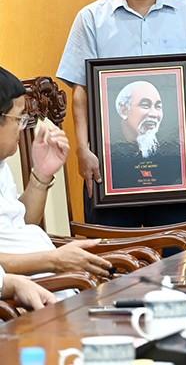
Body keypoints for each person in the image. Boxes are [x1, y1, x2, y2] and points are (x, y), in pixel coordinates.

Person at [55, 0, 186, 228]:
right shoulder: (92, 18)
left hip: (175, 166)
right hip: (110, 167)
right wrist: (83, 149)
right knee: (113, 252)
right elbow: (81, 93)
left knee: (177, 250)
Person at [0, 66, 111, 281]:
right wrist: (53, 260)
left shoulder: (2, 163)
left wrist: (41, 174)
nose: (22, 128)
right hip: (27, 293)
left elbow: (21, 223)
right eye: (19, 118)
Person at [106, 79, 183, 191]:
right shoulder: (110, 153)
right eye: (145, 105)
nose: (154, 114)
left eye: (158, 107)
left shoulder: (173, 154)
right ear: (124, 110)